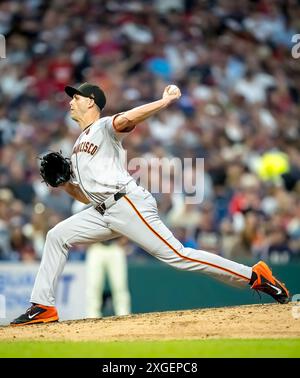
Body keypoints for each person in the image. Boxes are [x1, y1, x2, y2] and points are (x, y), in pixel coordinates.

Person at [11, 82, 289, 325]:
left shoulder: (104, 126)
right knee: (56, 235)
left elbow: (129, 118)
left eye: (76, 97)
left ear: (91, 101)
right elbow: (88, 196)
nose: (71, 101)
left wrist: (165, 101)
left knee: (179, 256)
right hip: (102, 210)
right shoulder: (77, 146)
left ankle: (255, 275)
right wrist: (65, 185)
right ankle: (43, 306)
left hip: (127, 204)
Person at [85, 239, 131, 318]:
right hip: (96, 247)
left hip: (115, 246)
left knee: (120, 285)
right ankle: (92, 316)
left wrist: (124, 240)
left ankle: (123, 314)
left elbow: (130, 226)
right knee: (94, 285)